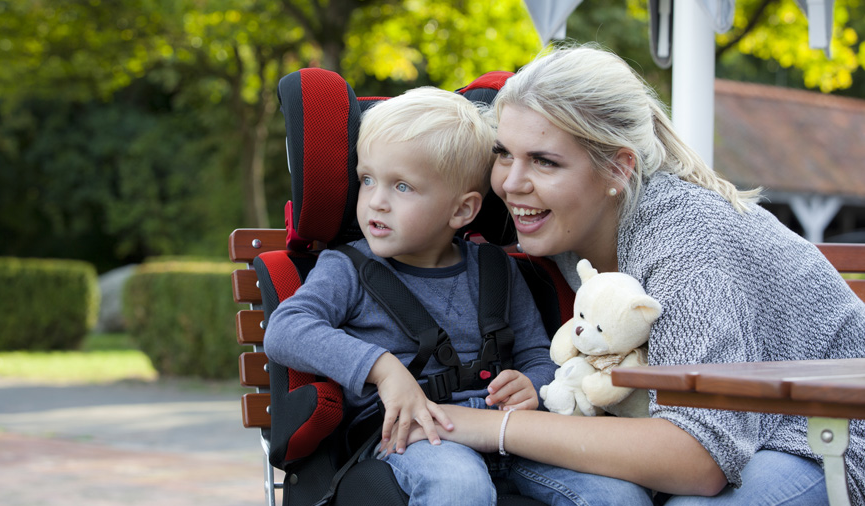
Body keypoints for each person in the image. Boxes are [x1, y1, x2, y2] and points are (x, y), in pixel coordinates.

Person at [383, 44, 865, 506]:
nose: (510, 183)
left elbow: (699, 457)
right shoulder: (574, 221)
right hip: (753, 433)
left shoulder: (685, 236)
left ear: (618, 167)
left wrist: (486, 426)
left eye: (544, 161)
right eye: (504, 153)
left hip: (829, 434)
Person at [263, 86, 558, 505]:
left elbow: (537, 355)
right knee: (460, 486)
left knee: (614, 491)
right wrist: (382, 368)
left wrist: (533, 383)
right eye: (367, 180)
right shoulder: (347, 268)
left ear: (462, 211)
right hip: (411, 436)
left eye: (402, 187)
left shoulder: (498, 270)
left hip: (507, 430)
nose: (376, 203)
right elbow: (286, 329)